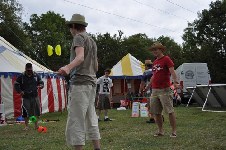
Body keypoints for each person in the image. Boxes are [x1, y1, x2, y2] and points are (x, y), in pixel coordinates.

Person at [57, 14, 101, 150]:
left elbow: (80, 57)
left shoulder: (78, 37)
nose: (70, 30)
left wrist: (68, 67)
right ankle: (97, 148)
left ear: (74, 26)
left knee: (77, 119)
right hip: (91, 83)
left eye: (70, 27)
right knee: (91, 117)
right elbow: (96, 66)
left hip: (80, 83)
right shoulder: (92, 41)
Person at [148, 42, 180, 138]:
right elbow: (154, 75)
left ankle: (174, 131)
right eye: (153, 50)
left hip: (165, 89)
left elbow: (172, 71)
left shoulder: (166, 59)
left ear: (161, 49)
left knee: (169, 111)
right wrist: (148, 85)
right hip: (154, 90)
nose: (154, 51)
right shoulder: (154, 62)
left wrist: (175, 82)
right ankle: (160, 131)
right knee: (156, 112)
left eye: (156, 49)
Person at [14, 63, 44, 130]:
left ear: (32, 69)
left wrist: (41, 86)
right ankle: (26, 126)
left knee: (36, 111)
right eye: (28, 70)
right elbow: (16, 84)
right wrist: (20, 91)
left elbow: (41, 82)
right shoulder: (21, 76)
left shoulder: (36, 75)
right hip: (26, 97)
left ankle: (36, 125)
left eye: (30, 70)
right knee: (26, 112)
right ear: (25, 69)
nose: (29, 71)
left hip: (35, 96)